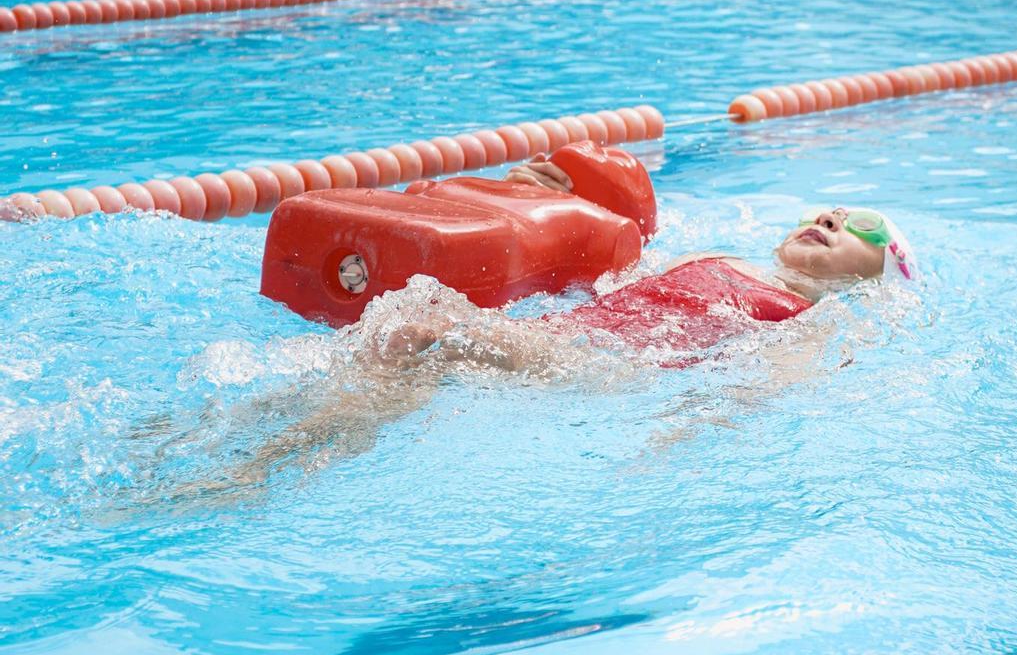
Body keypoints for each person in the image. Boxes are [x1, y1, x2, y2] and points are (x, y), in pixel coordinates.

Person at [217, 166, 916, 490]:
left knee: (411, 322)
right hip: (569, 334)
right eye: (826, 211)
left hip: (598, 365)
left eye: (861, 229)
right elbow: (612, 276)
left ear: (876, 275)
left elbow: (767, 387)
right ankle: (273, 440)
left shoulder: (815, 316)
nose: (830, 220)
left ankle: (270, 458)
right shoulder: (721, 255)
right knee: (405, 346)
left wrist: (681, 438)